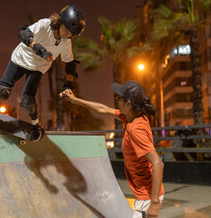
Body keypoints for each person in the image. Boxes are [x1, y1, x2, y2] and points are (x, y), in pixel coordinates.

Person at [0, 5, 85, 141]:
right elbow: (25, 34)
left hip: (38, 68)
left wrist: (69, 85)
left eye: (70, 34)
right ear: (59, 22)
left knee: (27, 102)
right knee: (2, 92)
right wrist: (38, 48)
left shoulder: (66, 42)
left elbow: (70, 64)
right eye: (66, 30)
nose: (67, 35)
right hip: (20, 59)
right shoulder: (45, 24)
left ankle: (35, 125)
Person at [60, 80, 164, 218]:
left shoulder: (135, 129)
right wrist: (75, 100)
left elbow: (158, 163)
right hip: (146, 194)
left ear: (128, 104)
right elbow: (103, 109)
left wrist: (154, 204)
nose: (117, 102)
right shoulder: (132, 118)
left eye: (118, 99)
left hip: (148, 198)